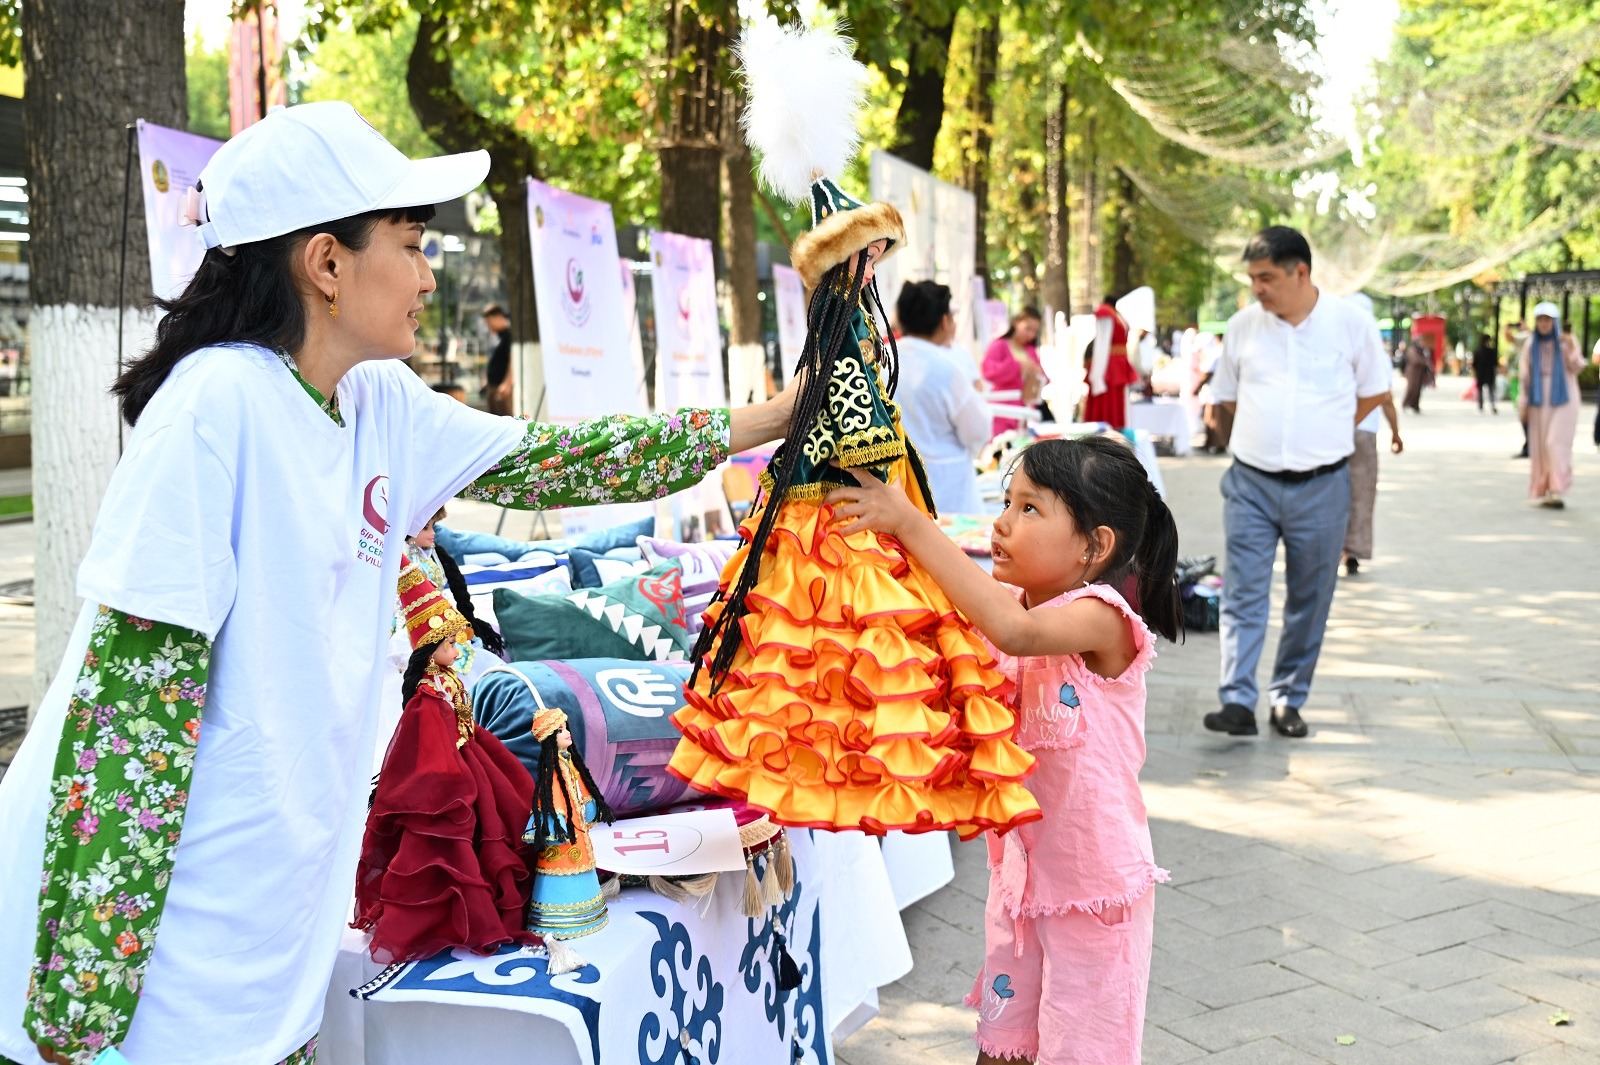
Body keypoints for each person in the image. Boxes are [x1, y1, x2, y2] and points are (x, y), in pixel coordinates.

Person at [0, 101, 799, 1065]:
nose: (428, 276)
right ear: (326, 264)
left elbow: (564, 459)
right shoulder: (214, 409)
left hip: (271, 936)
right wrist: (82, 995)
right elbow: (131, 709)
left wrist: (776, 417)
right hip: (151, 954)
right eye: (412, 246)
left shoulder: (377, 399)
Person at [667, 25, 1041, 841]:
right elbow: (852, 407)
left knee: (832, 652)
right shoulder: (843, 316)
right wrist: (883, 464)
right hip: (839, 488)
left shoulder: (854, 316)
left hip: (845, 479)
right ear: (852, 258)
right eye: (871, 250)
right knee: (833, 648)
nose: (878, 262)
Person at [822, 436, 1181, 1065]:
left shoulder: (1101, 617)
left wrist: (909, 520)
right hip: (1020, 881)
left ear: (1095, 546)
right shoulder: (1009, 605)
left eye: (1031, 509)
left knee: (1080, 1051)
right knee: (1003, 1045)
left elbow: (1014, 634)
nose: (1002, 522)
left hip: (1093, 894)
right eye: (1006, 501)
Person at [1205, 227, 1391, 740]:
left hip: (1323, 485)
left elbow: (1376, 391)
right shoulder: (1244, 326)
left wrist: (1328, 427)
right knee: (1243, 592)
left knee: (1311, 596)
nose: (1257, 288)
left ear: (1300, 272)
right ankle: (1238, 700)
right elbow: (1225, 398)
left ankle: (1288, 697)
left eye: (1266, 278)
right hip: (1251, 483)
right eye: (1252, 278)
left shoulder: (1351, 325)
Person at [354, 558, 535, 965]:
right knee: (456, 837)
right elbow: (427, 740)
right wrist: (450, 772)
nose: (457, 650)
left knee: (507, 807)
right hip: (452, 766)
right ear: (432, 650)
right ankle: (459, 914)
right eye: (450, 644)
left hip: (471, 751)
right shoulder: (426, 695)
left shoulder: (445, 681)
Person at [894, 280, 991, 514]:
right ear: (945, 321)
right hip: (947, 490)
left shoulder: (882, 359)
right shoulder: (948, 368)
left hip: (896, 485)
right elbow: (978, 430)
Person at [1341, 295, 1404, 577]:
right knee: (1361, 493)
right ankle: (1353, 550)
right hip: (1364, 433)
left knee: (1329, 493)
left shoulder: (1332, 348)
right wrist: (1396, 433)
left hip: (1332, 433)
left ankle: (1331, 548)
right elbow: (1385, 398)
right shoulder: (1377, 354)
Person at [1519, 301, 1583, 508]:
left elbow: (1578, 366)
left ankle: (1558, 488)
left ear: (1554, 322)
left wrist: (1572, 347)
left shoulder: (1565, 342)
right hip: (1539, 401)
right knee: (1540, 447)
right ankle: (1545, 490)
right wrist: (1523, 403)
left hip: (1564, 399)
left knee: (1555, 443)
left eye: (1548, 320)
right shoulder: (1531, 345)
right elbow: (1525, 377)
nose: (1544, 324)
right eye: (1540, 319)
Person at [982, 306, 1048, 435]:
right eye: (1027, 329)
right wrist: (1017, 366)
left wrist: (1038, 373)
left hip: (1026, 410)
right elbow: (988, 371)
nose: (1031, 334)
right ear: (1016, 322)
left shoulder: (1030, 350)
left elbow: (1044, 377)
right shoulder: (999, 345)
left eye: (1034, 331)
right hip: (1003, 409)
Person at [1084, 295, 1142, 429]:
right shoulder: (1114, 315)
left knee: (1111, 403)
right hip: (1114, 364)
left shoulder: (1109, 313)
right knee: (1112, 403)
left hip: (1110, 364)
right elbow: (1103, 342)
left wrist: (1097, 371)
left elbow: (1101, 343)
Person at [481, 303, 513, 415]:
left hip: (502, 388)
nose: (488, 325)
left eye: (489, 321)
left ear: (499, 317)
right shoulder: (497, 337)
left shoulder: (509, 336)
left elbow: (512, 361)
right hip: (493, 386)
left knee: (506, 421)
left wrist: (507, 384)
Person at [1401, 333, 1435, 413]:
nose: (1422, 343)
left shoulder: (1423, 350)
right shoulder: (1412, 350)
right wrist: (1425, 362)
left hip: (1420, 374)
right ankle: (1405, 404)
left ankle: (1415, 406)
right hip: (1412, 373)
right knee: (1412, 389)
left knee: (1418, 390)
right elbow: (1415, 360)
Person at [1472, 331, 1499, 414]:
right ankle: (1492, 404)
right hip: (1489, 373)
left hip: (1480, 373)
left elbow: (1474, 364)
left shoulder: (1477, 351)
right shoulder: (1492, 352)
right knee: (1491, 390)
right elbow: (1495, 363)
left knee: (1480, 390)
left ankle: (1480, 405)